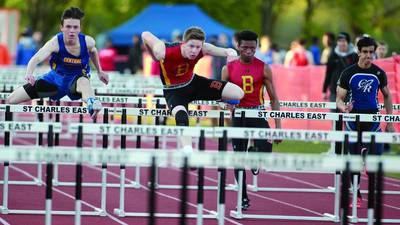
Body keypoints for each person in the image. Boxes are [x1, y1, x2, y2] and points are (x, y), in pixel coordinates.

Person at [141, 27, 244, 150]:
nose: (194, 51)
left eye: (198, 47)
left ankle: (221, 100)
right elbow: (145, 34)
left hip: (195, 83)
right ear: (183, 43)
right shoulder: (164, 51)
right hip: (174, 91)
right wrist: (153, 54)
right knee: (181, 117)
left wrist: (231, 54)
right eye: (191, 46)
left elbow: (228, 51)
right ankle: (188, 152)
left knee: (238, 93)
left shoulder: (204, 48)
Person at [7, 7, 109, 119]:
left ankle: (92, 103)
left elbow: (93, 51)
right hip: (54, 80)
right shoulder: (54, 43)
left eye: (75, 27)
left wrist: (100, 71)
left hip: (76, 79)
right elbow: (36, 58)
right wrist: (29, 73)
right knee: (11, 99)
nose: (72, 31)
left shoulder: (88, 42)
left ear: (80, 29)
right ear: (62, 28)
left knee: (84, 82)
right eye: (68, 27)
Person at [222, 30, 281, 210]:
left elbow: (274, 98)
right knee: (238, 159)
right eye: (245, 47)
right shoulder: (228, 69)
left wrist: (278, 127)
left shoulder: (264, 67)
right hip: (239, 115)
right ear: (238, 46)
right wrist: (227, 109)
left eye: (252, 47)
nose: (249, 50)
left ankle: (256, 155)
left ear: (257, 47)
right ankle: (243, 196)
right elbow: (222, 96)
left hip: (257, 113)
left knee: (266, 146)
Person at [336, 36, 395, 208]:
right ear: (358, 52)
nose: (369, 56)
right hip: (354, 121)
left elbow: (387, 95)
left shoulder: (378, 73)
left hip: (373, 121)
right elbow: (339, 99)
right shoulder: (349, 73)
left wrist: (390, 121)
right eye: (365, 52)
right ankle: (357, 193)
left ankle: (369, 172)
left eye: (371, 52)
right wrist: (343, 107)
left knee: (374, 163)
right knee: (354, 161)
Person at [323, 32, 358, 103]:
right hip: (334, 90)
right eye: (339, 41)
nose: (341, 43)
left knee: (348, 113)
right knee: (333, 113)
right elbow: (328, 73)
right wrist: (324, 90)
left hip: (349, 91)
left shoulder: (354, 56)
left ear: (348, 42)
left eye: (344, 41)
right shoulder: (333, 55)